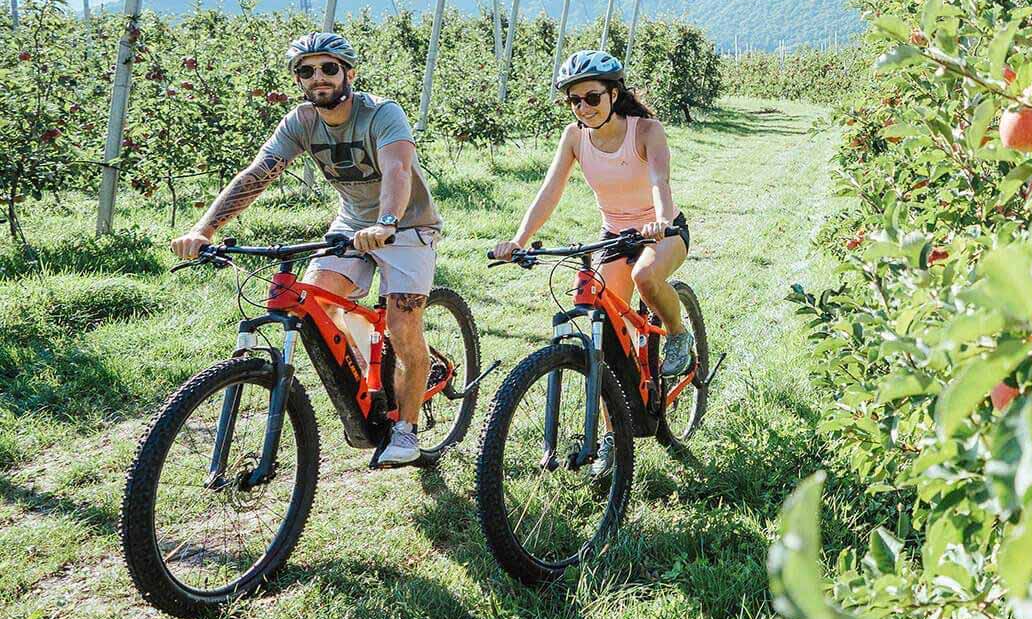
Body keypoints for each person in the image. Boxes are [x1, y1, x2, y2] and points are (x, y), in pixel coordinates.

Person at [171, 32, 442, 468]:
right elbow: (259, 173)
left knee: (402, 323)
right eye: (306, 70)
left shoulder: (382, 113)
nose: (318, 77)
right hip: (352, 224)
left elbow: (398, 168)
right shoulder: (301, 121)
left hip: (406, 225)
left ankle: (406, 430)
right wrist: (204, 229)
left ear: (348, 73)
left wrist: (387, 222)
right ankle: (369, 377)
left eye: (328, 68)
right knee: (316, 300)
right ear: (297, 79)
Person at [492, 50, 694, 378]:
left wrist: (662, 222)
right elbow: (549, 192)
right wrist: (518, 241)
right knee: (606, 334)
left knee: (644, 276)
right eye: (575, 101)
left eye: (592, 97)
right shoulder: (574, 137)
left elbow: (660, 181)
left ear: (614, 94)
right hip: (615, 237)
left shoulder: (646, 131)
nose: (583, 108)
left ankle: (677, 333)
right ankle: (614, 417)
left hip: (663, 230)